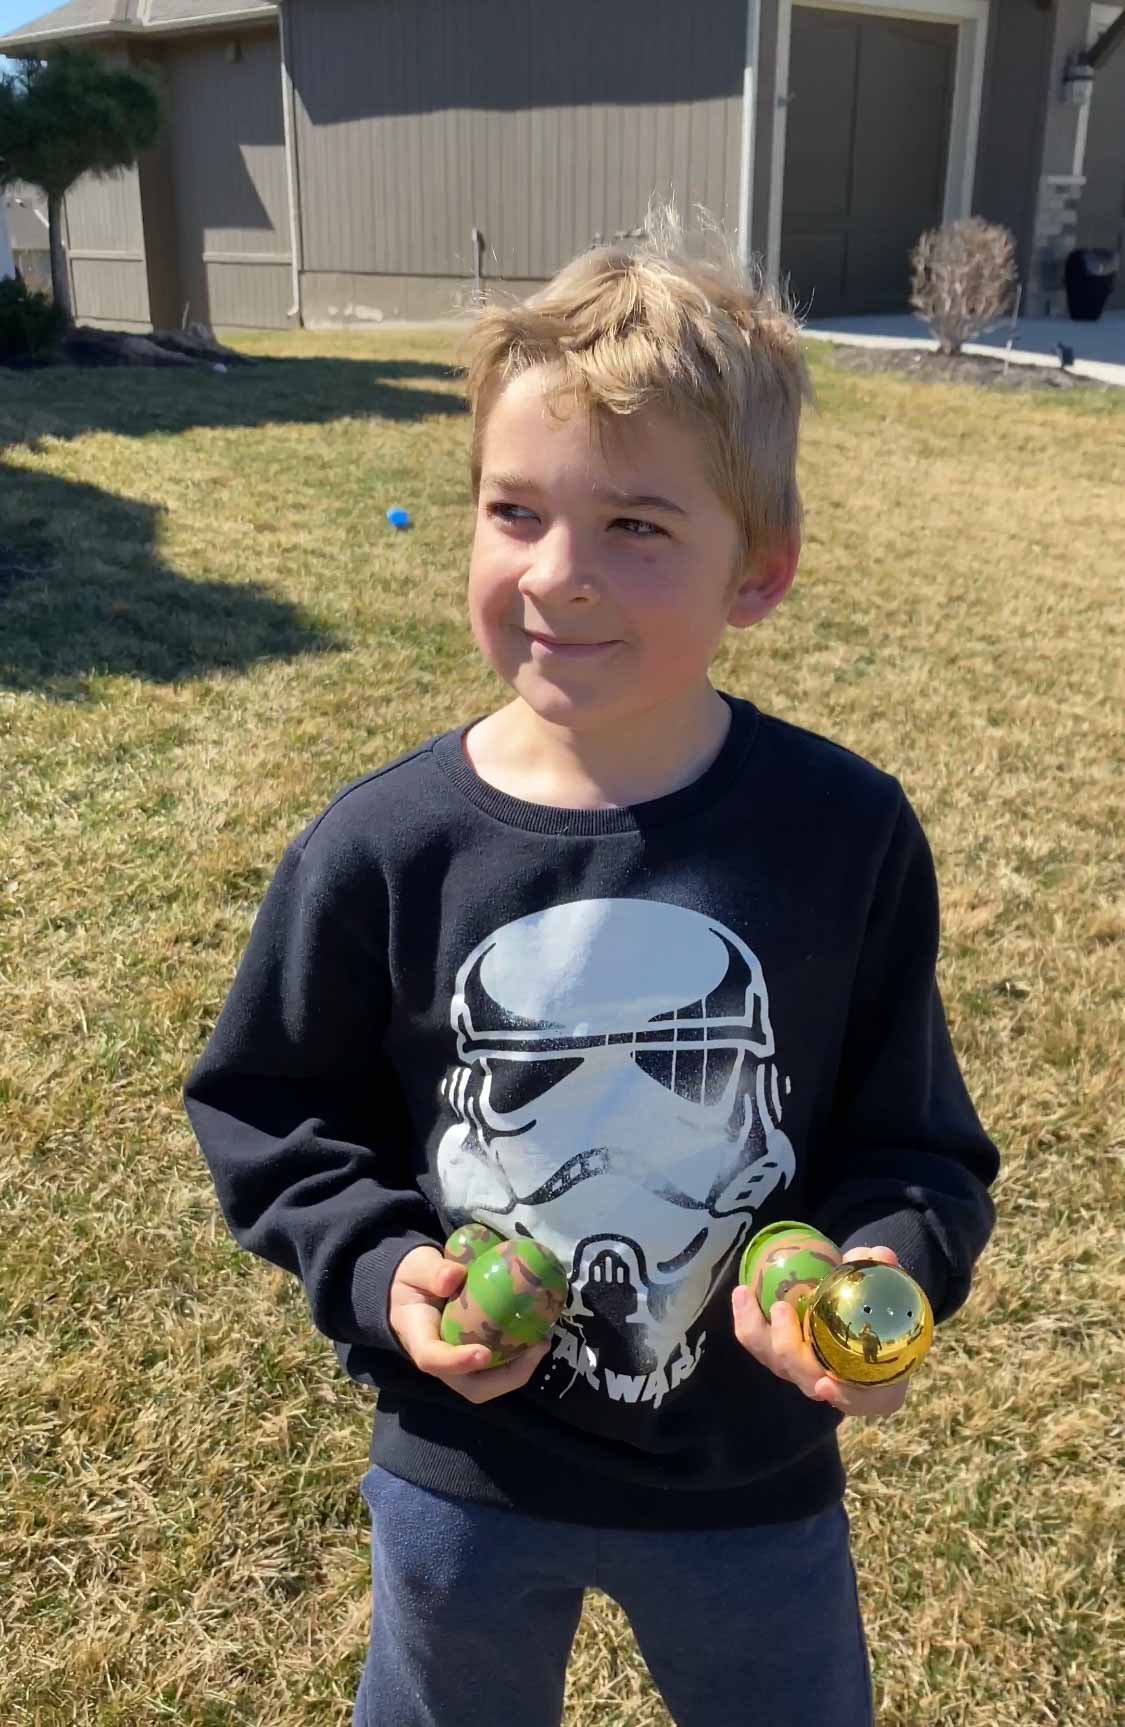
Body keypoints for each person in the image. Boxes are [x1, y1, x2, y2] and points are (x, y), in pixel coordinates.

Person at [183, 196, 998, 1727]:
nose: (558, 573)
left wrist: (881, 1271)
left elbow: (915, 1142)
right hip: (464, 1469)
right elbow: (270, 1108)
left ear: (755, 573)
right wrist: (378, 1267)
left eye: (633, 524)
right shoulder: (382, 849)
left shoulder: (839, 837)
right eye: (514, 512)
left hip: (750, 1481)